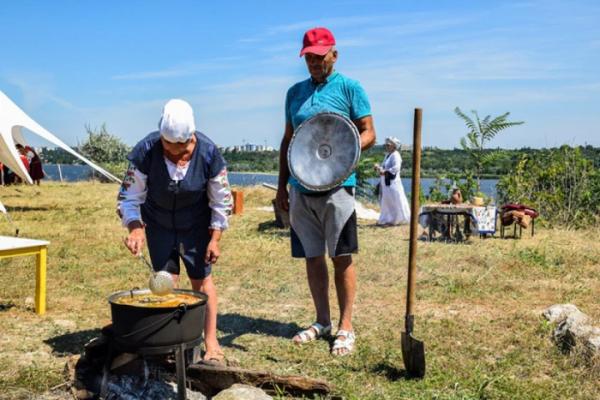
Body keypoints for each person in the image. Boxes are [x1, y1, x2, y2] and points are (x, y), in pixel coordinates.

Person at [276, 27, 376, 356]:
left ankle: (346, 327)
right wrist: (281, 188)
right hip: (301, 188)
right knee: (312, 256)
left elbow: (368, 133)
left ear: (334, 54)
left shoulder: (350, 88)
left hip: (338, 188)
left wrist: (344, 153)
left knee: (341, 256)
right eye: (309, 58)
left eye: (320, 57)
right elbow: (288, 141)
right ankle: (322, 321)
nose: (315, 63)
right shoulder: (294, 93)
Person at [117, 99, 232, 364]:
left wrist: (215, 239)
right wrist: (136, 229)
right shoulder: (145, 151)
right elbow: (129, 198)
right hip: (158, 224)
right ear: (161, 138)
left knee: (202, 281)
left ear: (192, 137)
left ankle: (210, 341)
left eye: (184, 146)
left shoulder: (209, 153)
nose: (178, 152)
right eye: (170, 146)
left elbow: (221, 201)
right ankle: (173, 340)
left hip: (196, 225)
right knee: (167, 282)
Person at [374, 137, 410, 226]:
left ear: (394, 146)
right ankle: (387, 218)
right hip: (386, 182)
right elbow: (384, 167)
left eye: (388, 145)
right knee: (387, 200)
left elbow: (396, 168)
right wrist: (379, 167)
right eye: (386, 144)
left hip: (393, 182)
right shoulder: (388, 155)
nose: (386, 146)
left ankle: (397, 219)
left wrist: (385, 171)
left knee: (395, 200)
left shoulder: (396, 155)